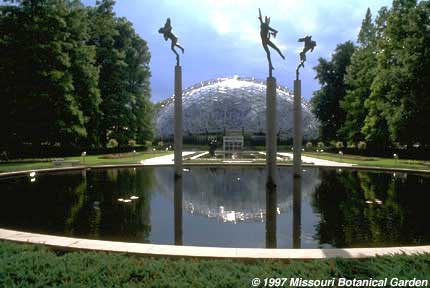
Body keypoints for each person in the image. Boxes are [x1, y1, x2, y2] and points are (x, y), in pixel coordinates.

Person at [258, 8, 285, 76]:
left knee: (274, 50)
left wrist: (273, 33)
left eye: (268, 22)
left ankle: (279, 56)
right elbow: (275, 30)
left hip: (266, 40)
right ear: (267, 21)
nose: (268, 23)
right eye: (268, 21)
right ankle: (271, 64)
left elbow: (261, 19)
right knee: (269, 52)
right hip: (264, 41)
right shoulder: (264, 25)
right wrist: (274, 33)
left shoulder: (264, 25)